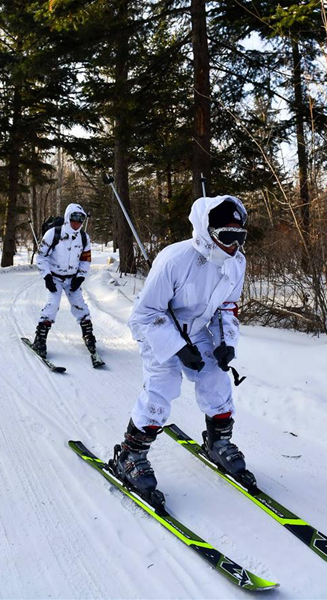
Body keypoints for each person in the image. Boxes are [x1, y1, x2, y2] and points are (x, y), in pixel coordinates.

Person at [112, 195, 256, 500]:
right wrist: (177, 348)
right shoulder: (175, 260)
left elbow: (227, 306)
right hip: (159, 327)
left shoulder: (236, 264)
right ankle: (130, 454)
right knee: (164, 384)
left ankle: (218, 441)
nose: (235, 245)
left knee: (216, 376)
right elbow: (145, 314)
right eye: (227, 237)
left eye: (240, 236)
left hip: (198, 329)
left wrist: (227, 343)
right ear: (208, 234)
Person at [32, 203, 97, 358]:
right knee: (52, 305)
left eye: (80, 220)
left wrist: (80, 277)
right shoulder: (53, 234)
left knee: (80, 305)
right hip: (54, 277)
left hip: (72, 278)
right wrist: (47, 277)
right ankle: (40, 338)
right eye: (74, 219)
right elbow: (41, 257)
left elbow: (85, 260)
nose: (77, 223)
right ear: (68, 218)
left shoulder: (83, 237)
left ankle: (88, 335)